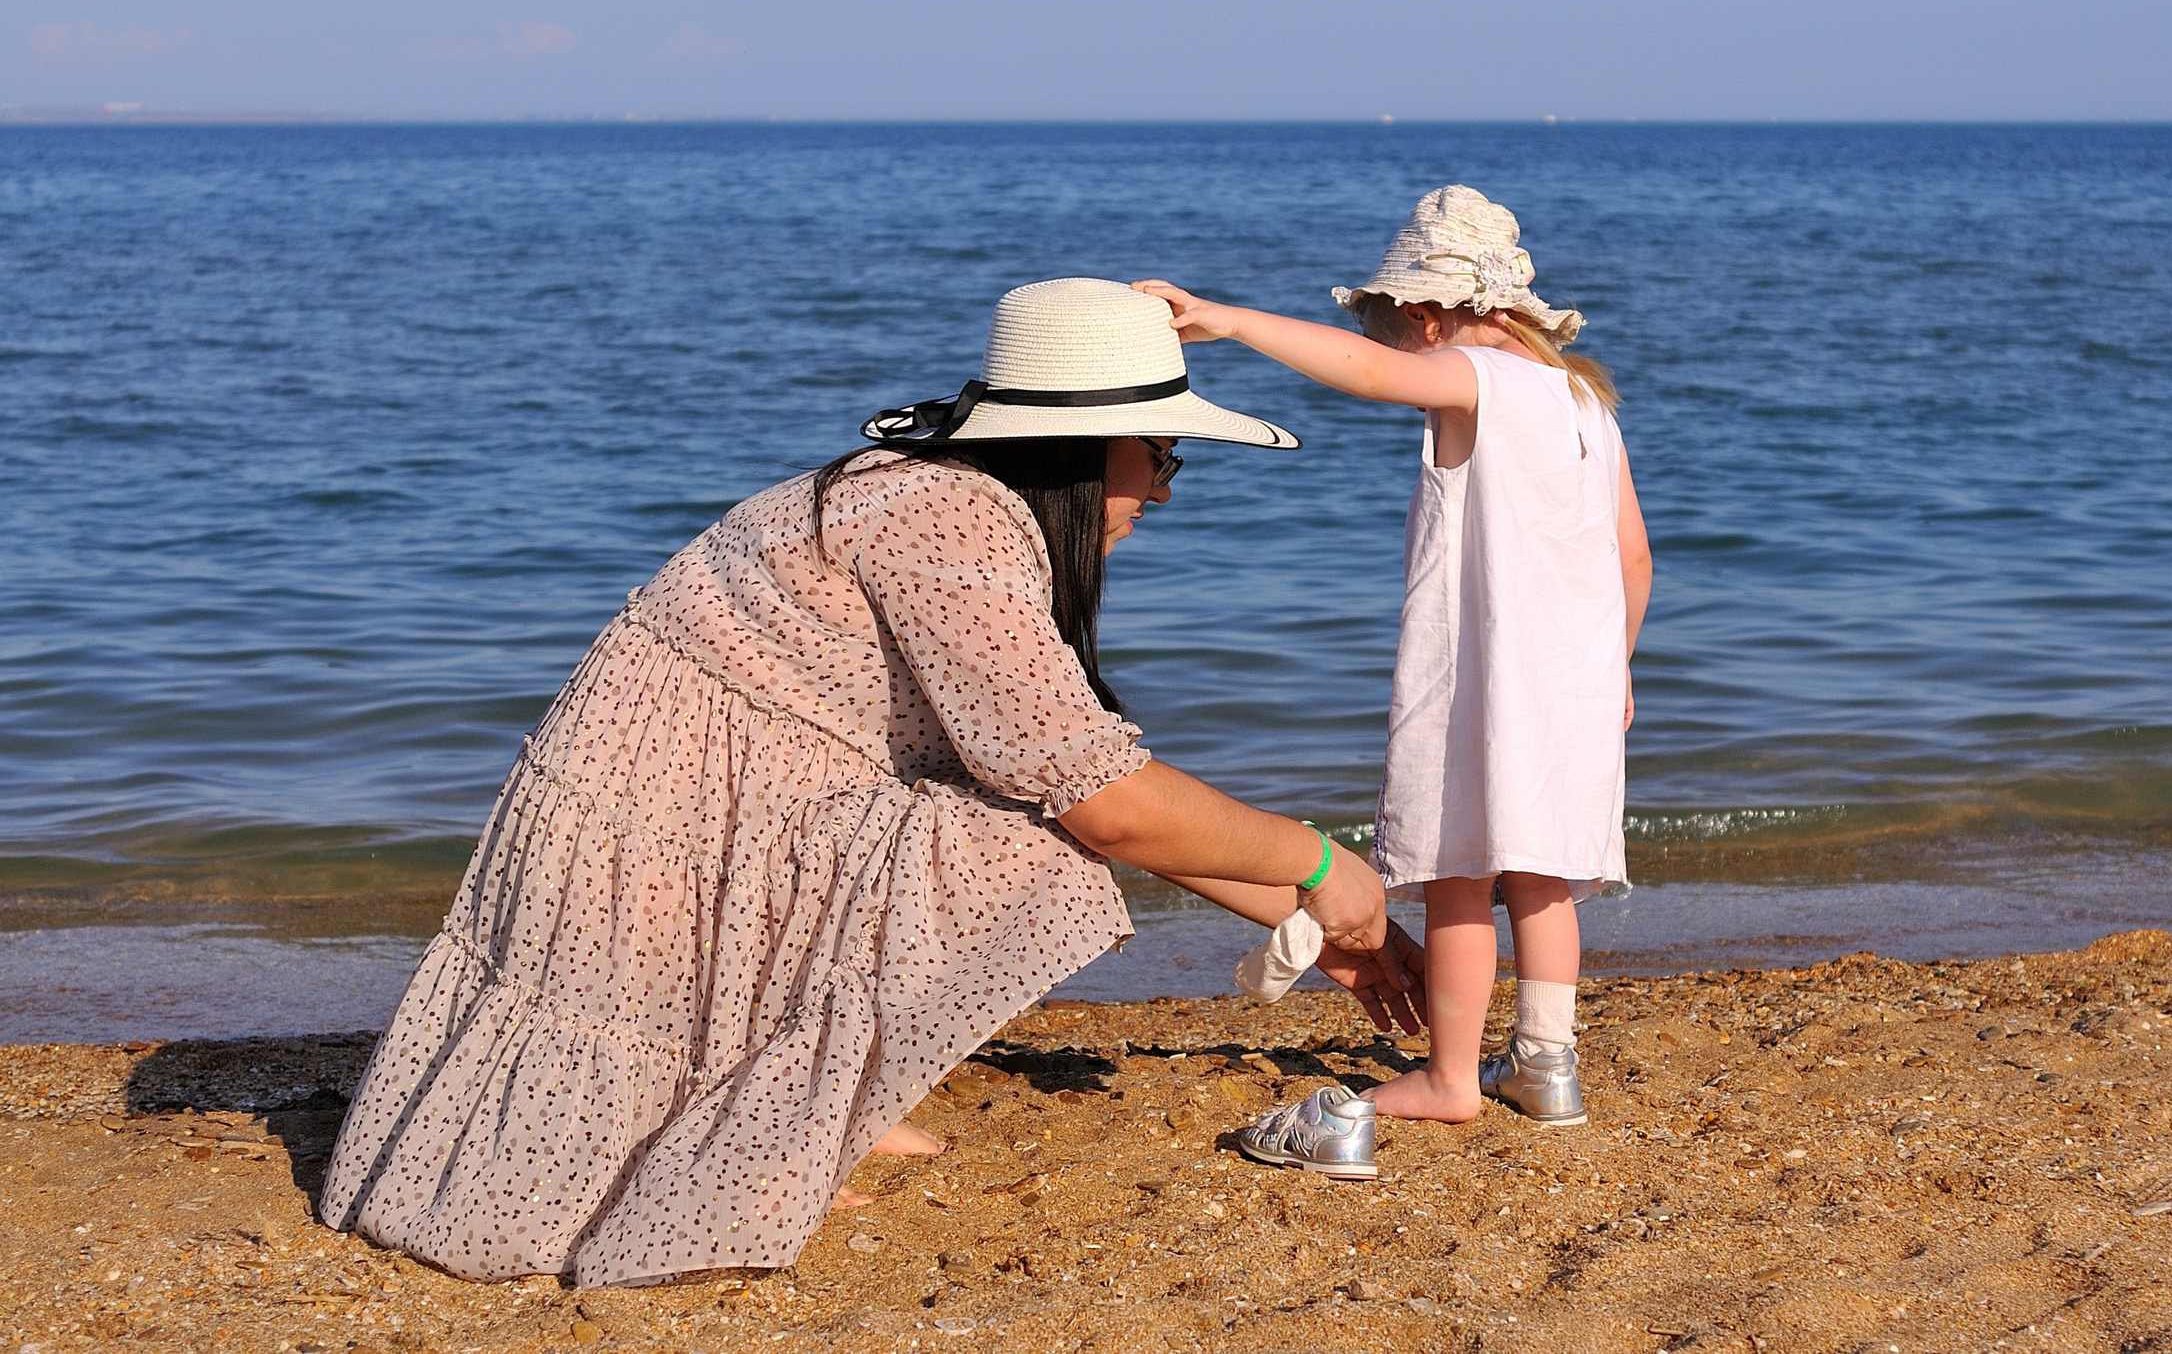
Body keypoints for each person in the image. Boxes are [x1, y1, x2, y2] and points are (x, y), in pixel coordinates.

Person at [319, 277, 1421, 1285]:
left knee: (1011, 811)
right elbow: (1102, 805)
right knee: (1018, 854)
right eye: (1162, 456)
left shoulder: (950, 497)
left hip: (722, 815)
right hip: (667, 840)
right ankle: (770, 1127)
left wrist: (1328, 925)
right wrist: (1327, 869)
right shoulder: (944, 519)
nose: (1169, 492)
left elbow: (1080, 772)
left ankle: (819, 1098)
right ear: (1085, 449)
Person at [1136, 184, 1651, 1173]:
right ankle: (1546, 1062)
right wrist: (1615, 666)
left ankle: (1452, 1077)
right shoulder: (1586, 401)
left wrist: (1227, 320)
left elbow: (1368, 374)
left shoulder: (1474, 376)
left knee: (1458, 870)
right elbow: (1634, 557)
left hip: (1488, 674)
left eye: (1399, 326)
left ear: (1426, 314)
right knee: (1542, 878)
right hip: (1579, 677)